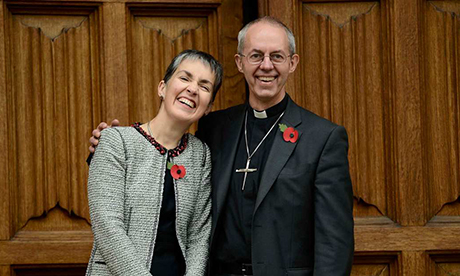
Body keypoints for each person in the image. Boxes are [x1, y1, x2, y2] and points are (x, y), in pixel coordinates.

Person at [89, 17, 354, 276]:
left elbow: (335, 240)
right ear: (240, 63)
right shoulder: (216, 128)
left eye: (277, 56)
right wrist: (102, 152)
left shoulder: (322, 138)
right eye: (255, 55)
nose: (266, 65)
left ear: (292, 63)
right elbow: (158, 166)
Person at [85, 49, 223, 276]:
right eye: (185, 78)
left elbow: (199, 233)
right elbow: (107, 227)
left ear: (208, 108)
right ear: (162, 87)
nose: (192, 89)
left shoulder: (201, 155)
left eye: (204, 86)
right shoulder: (115, 141)